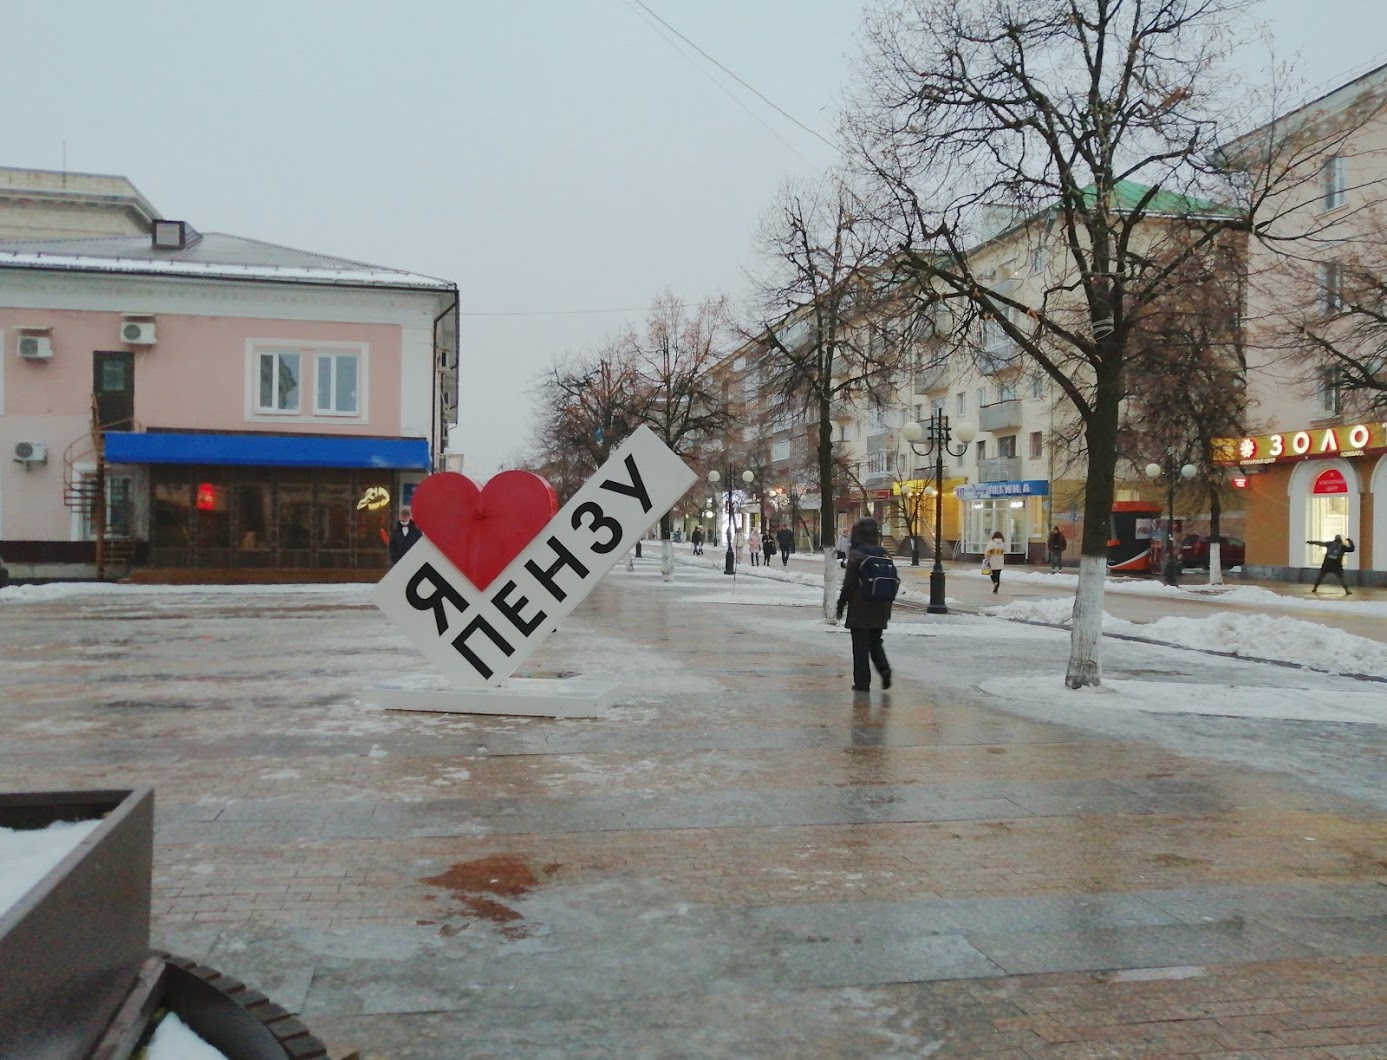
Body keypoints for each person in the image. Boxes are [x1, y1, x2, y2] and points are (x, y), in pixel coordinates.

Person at [835, 517, 893, 693]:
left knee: (860, 647)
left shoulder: (857, 554)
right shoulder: (883, 553)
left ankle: (862, 683)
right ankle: (884, 670)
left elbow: (849, 584)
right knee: (875, 641)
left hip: (860, 608)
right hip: (880, 606)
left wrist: (841, 605)